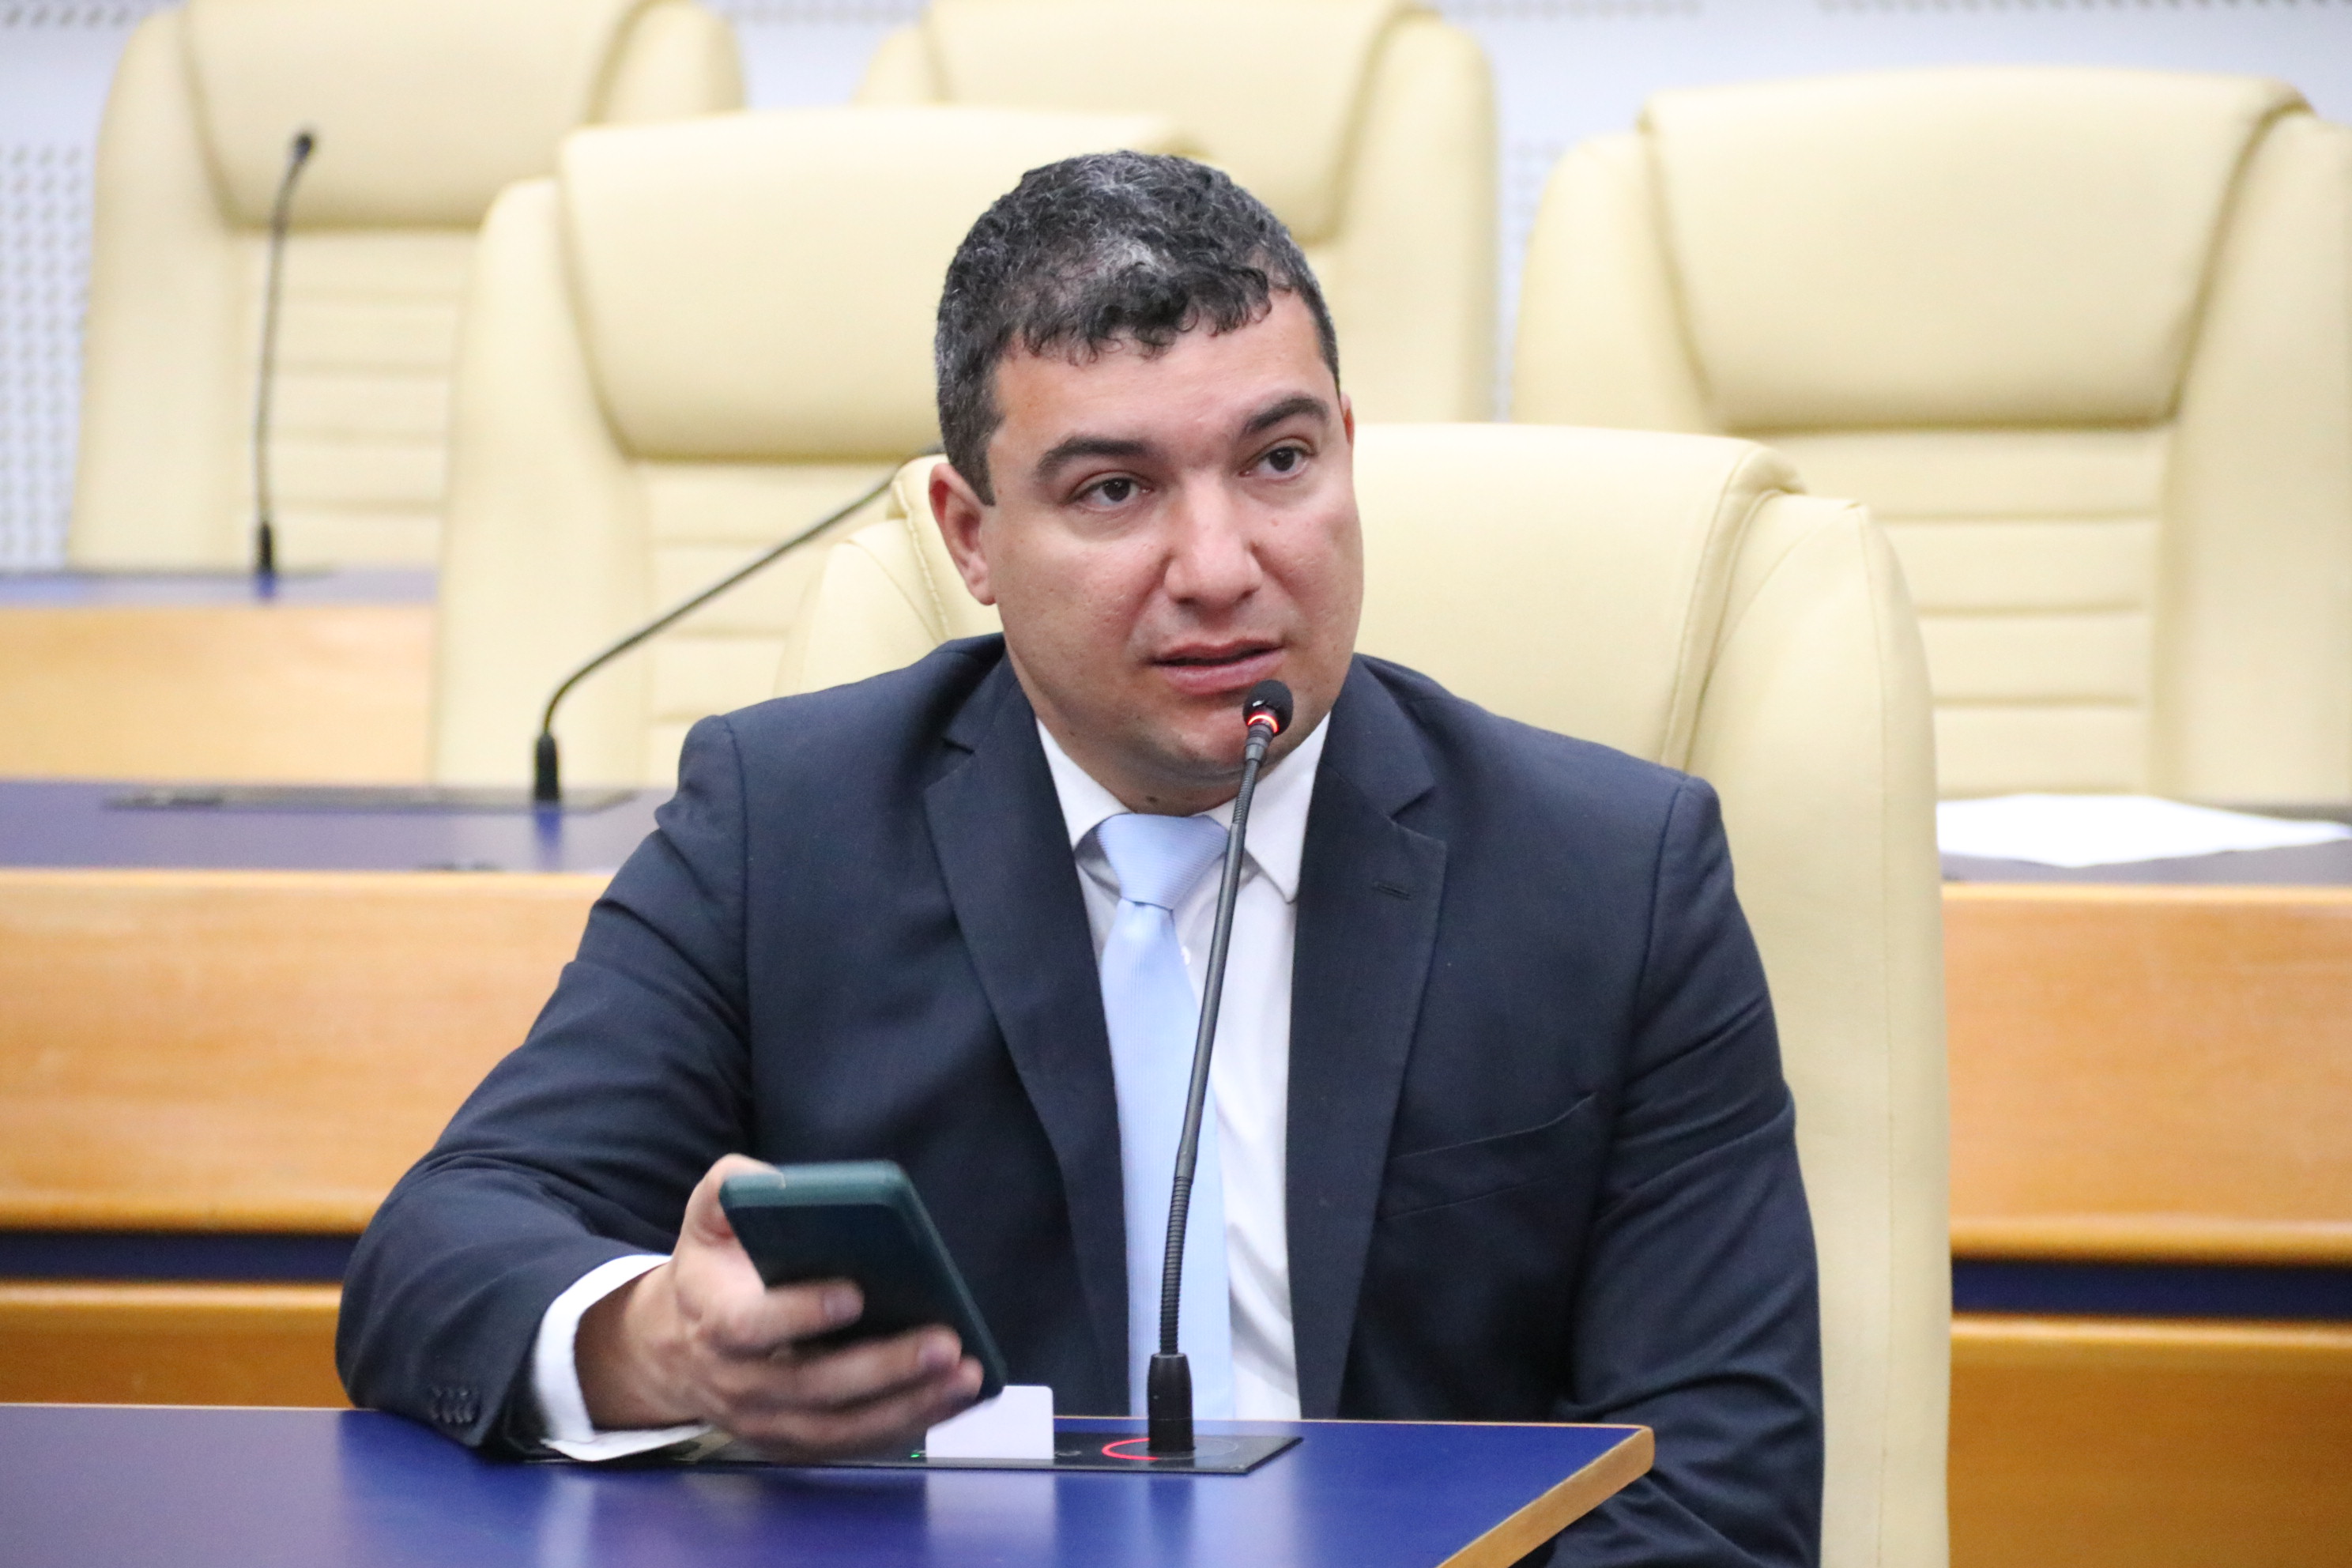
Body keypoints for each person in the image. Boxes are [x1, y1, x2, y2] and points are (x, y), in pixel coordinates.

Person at [339, 152, 1821, 1566]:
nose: (1222, 567)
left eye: (1280, 462)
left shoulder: (1612, 877)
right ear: (971, 538)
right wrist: (648, 1346)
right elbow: (442, 1250)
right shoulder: (786, 830)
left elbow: (1717, 1484)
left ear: (1348, 455)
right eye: (1115, 490)